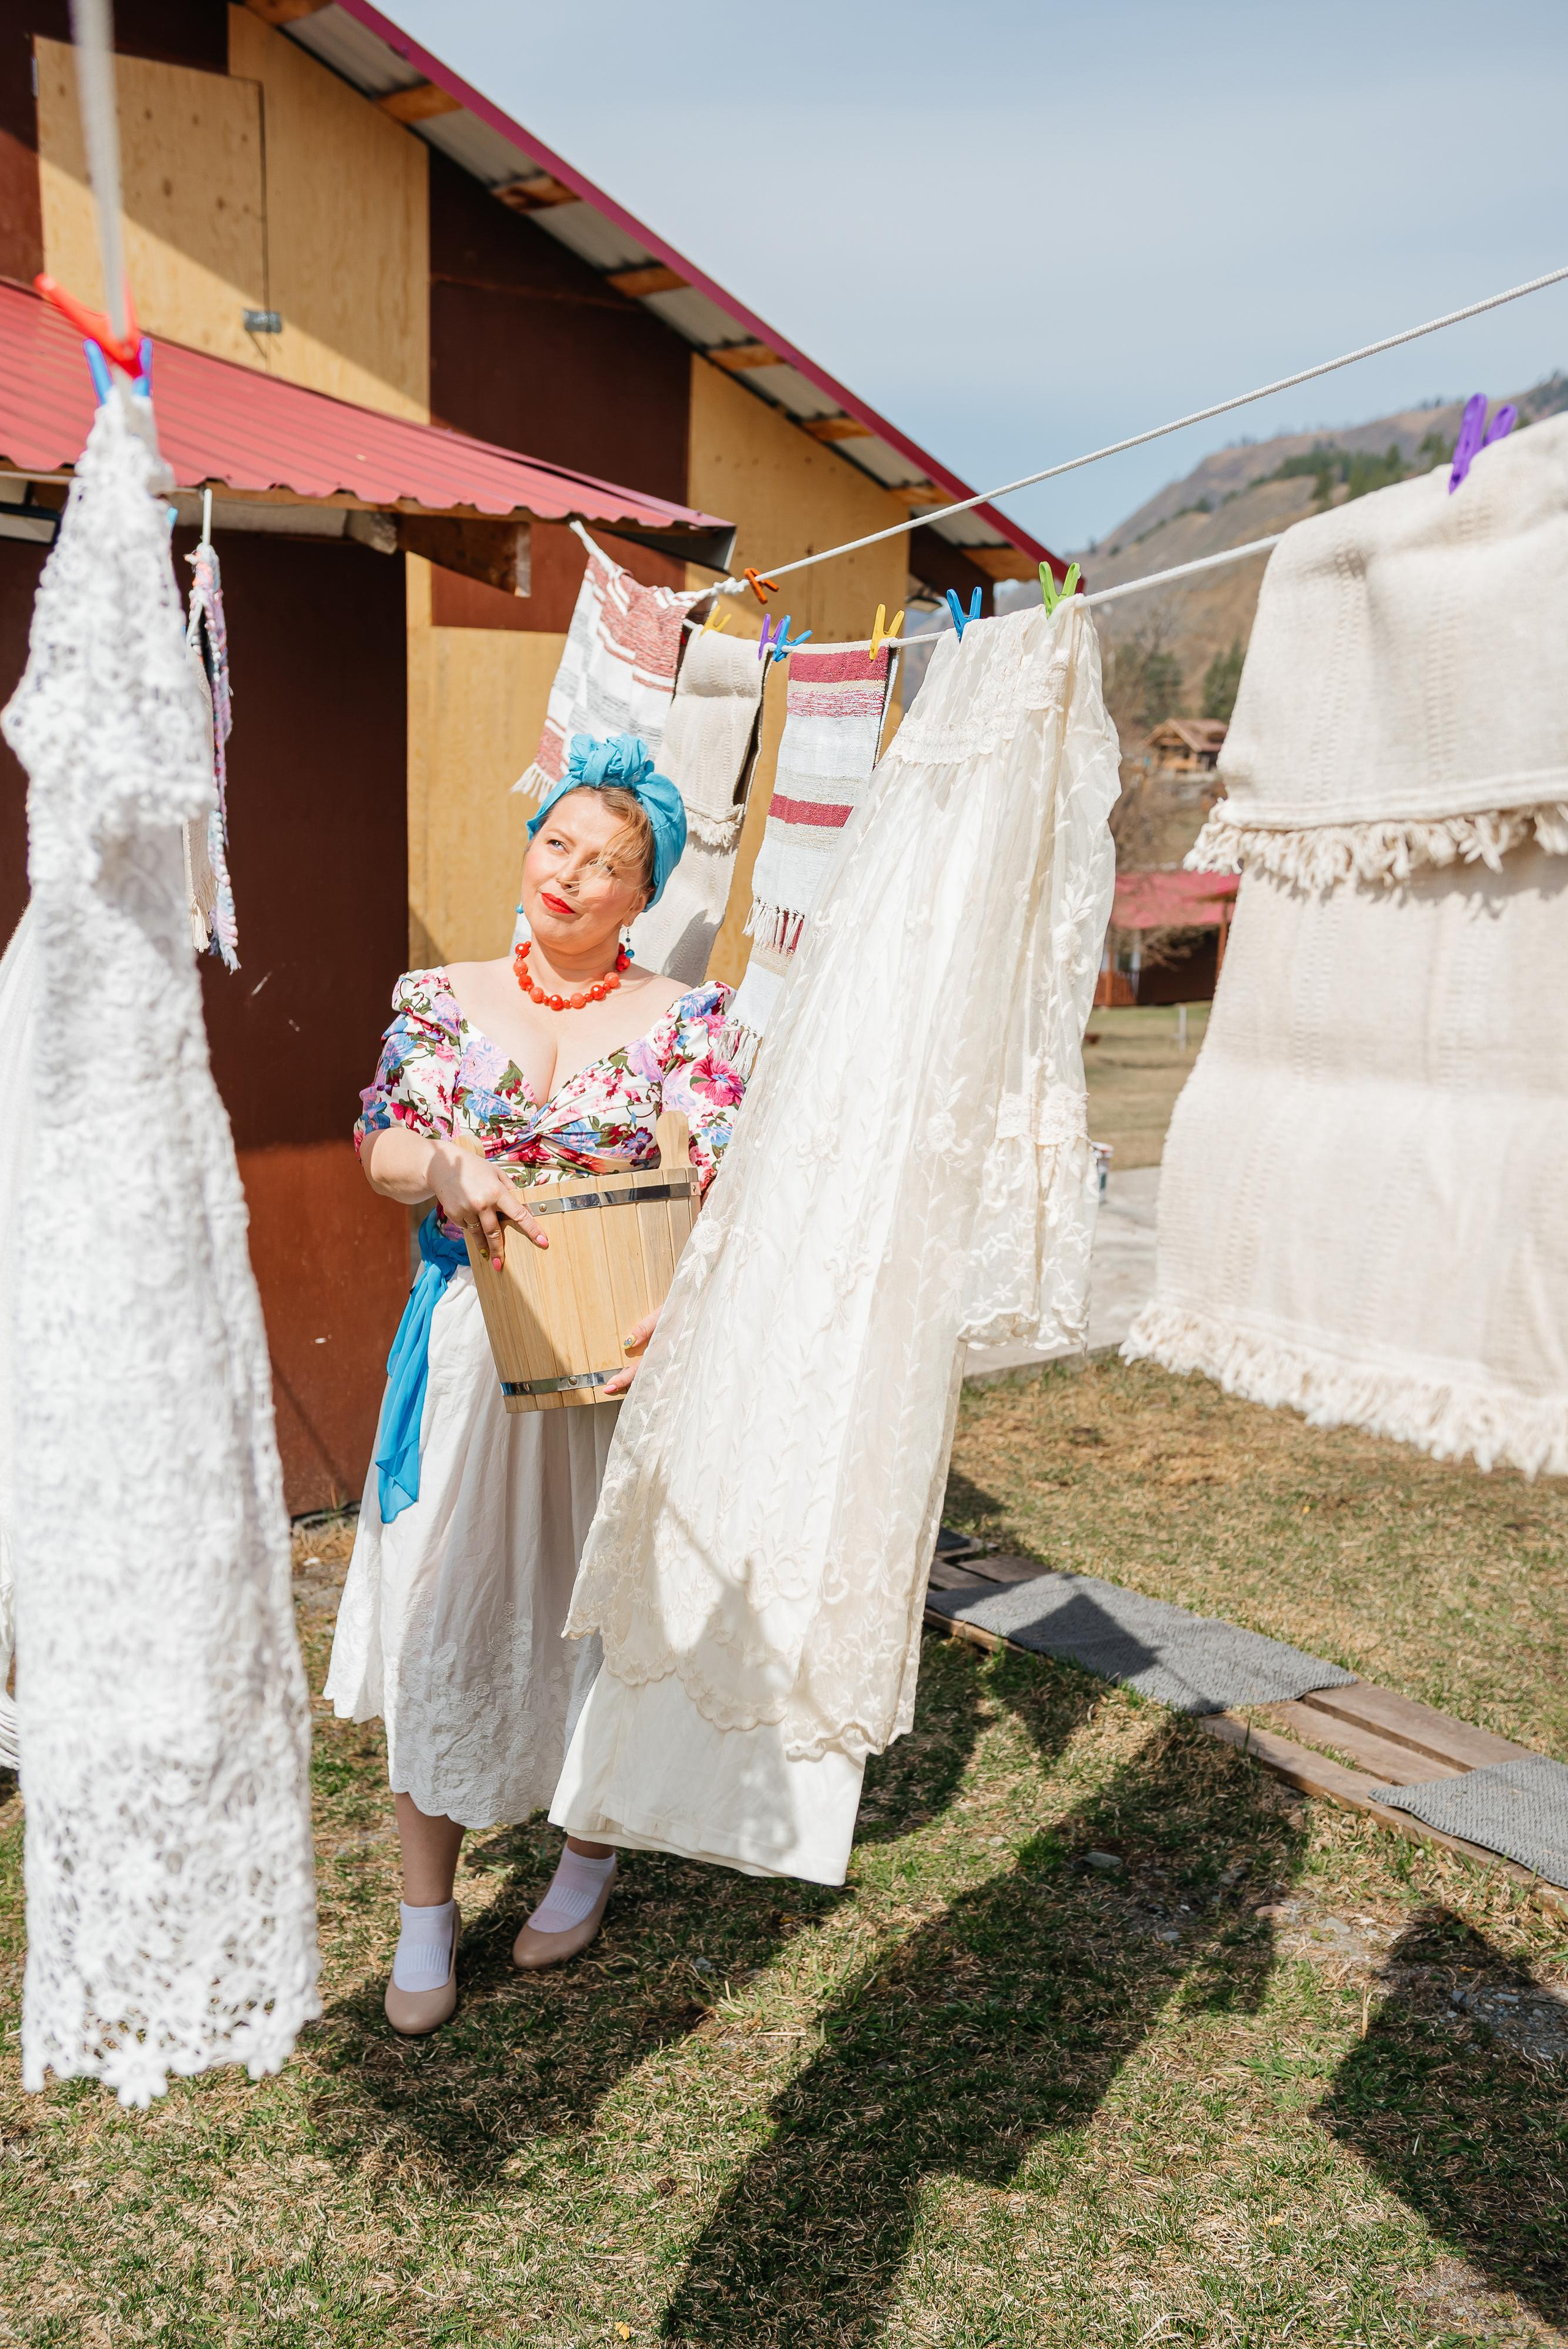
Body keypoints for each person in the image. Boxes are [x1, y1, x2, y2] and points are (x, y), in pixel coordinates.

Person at [325, 733, 745, 2035]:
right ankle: (425, 1914)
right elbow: (383, 1144)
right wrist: (443, 1170)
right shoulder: (439, 999)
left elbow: (726, 1178)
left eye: (610, 865)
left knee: (600, 1614)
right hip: (469, 1347)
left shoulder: (689, 1021)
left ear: (643, 894)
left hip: (619, 1359)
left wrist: (684, 1293)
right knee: (439, 1611)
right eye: (557, 843)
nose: (572, 876)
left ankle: (588, 1853)